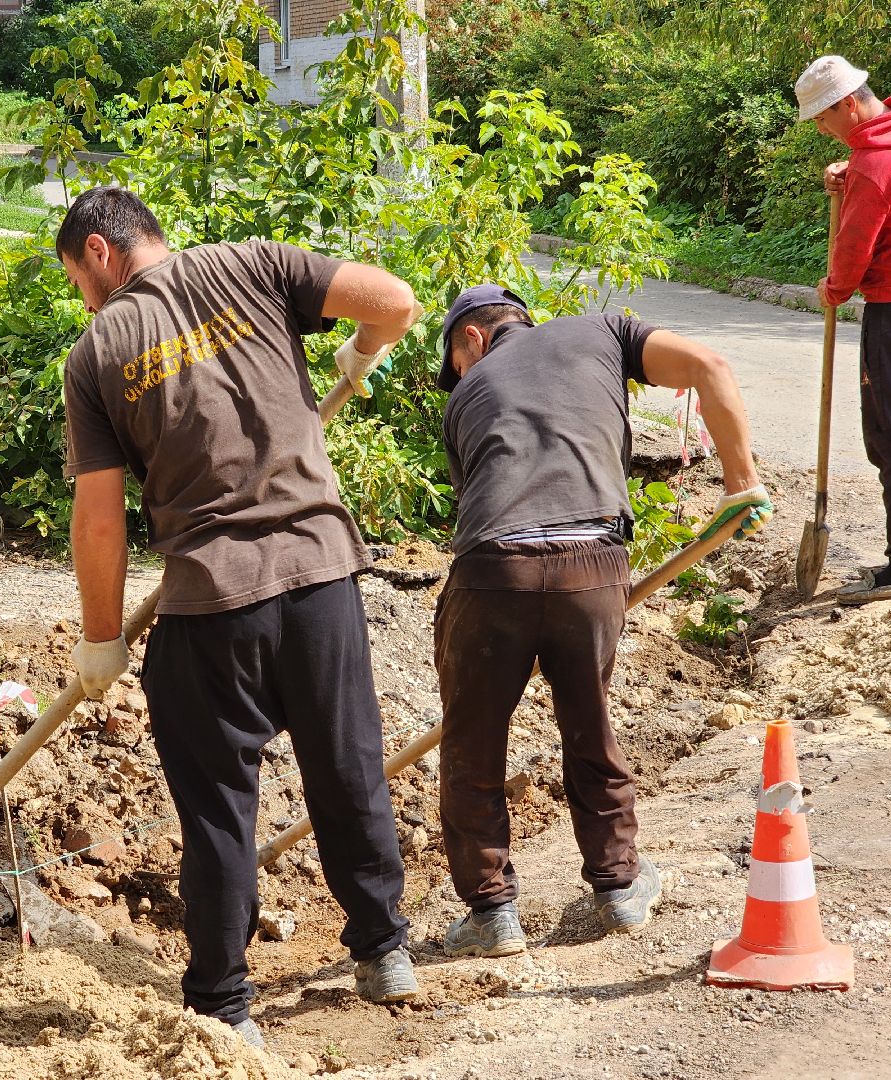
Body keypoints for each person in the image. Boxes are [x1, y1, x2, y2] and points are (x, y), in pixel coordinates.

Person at [56, 186, 422, 1048]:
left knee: (220, 806)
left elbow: (99, 518)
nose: (83, 294)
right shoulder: (253, 263)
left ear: (101, 254)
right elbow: (398, 301)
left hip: (214, 601)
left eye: (77, 276)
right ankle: (383, 951)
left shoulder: (98, 349)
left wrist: (101, 639)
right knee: (347, 769)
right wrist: (363, 352)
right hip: (323, 578)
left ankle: (223, 1006)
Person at [432, 285, 772, 957]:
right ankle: (617, 888)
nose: (461, 376)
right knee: (589, 723)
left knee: (472, 742)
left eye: (456, 360)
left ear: (471, 339)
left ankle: (491, 914)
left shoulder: (463, 398)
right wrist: (742, 481)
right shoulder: (604, 331)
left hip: (492, 571)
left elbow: (481, 507)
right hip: (592, 565)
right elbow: (713, 368)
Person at [794, 55, 891, 603]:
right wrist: (851, 168)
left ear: (848, 103)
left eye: (822, 117)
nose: (820, 129)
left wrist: (835, 289)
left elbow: (853, 251)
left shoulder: (873, 166)